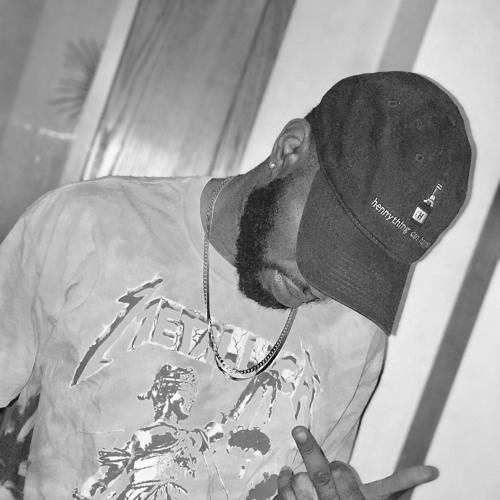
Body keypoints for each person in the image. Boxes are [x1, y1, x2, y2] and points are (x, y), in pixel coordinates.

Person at [0, 71, 471, 500]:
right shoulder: (89, 224)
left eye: (363, 267)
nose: (323, 284)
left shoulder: (357, 335)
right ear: (289, 150)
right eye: (329, 239)